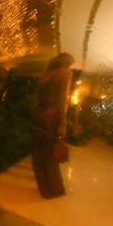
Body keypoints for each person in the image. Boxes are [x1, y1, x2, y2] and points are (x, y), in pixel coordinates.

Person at [31, 52, 74, 198]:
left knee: (39, 151)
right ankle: (54, 190)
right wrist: (63, 122)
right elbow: (62, 99)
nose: (70, 66)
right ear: (67, 62)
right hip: (51, 115)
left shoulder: (45, 75)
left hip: (38, 114)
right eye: (70, 63)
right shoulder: (64, 73)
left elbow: (36, 98)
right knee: (50, 153)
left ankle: (44, 189)